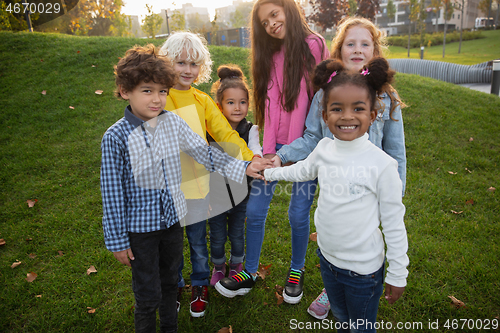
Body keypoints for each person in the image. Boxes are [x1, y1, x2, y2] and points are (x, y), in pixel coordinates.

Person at [100, 44, 268, 333]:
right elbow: (112, 194)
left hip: (172, 224)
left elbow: (206, 154)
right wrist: (117, 241)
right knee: (147, 293)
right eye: (147, 91)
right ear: (126, 91)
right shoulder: (115, 137)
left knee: (169, 284)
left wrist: (243, 166)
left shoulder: (173, 124)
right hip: (140, 232)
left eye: (162, 91)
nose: (157, 99)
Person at [273, 16, 407, 320]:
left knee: (360, 236)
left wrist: (395, 193)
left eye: (365, 44)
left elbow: (396, 152)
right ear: (339, 49)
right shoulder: (325, 91)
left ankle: (349, 287)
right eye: (350, 43)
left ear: (375, 51)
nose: (357, 49)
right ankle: (332, 286)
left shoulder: (386, 97)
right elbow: (311, 136)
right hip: (334, 179)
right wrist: (281, 156)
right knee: (331, 230)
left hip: (371, 184)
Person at [215, 0, 329, 304]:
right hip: (273, 146)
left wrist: (295, 149)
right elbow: (269, 105)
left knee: (297, 212)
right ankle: (249, 272)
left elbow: (315, 100)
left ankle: (296, 270)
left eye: (274, 15)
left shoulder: (313, 45)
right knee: (255, 210)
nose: (271, 24)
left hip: (305, 146)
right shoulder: (268, 54)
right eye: (264, 22)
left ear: (288, 10)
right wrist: (267, 150)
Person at [158, 32, 268, 317]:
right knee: (169, 245)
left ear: (202, 67)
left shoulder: (202, 99)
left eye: (194, 64)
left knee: (197, 241)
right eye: (180, 62)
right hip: (165, 187)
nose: (187, 70)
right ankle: (174, 286)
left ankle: (199, 284)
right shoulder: (158, 96)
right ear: (167, 61)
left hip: (195, 186)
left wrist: (251, 159)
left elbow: (225, 133)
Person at [206, 65, 263, 286]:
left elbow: (255, 150)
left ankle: (237, 265)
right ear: (219, 107)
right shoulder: (211, 131)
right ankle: (219, 266)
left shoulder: (251, 130)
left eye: (242, 102)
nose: (237, 108)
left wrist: (256, 159)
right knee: (218, 236)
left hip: (241, 195)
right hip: (217, 195)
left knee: (237, 233)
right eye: (231, 103)